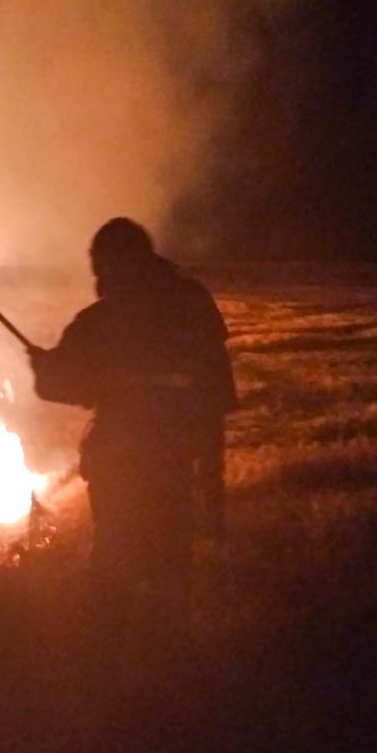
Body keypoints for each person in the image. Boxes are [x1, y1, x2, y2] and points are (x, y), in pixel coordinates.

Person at [28, 217, 236, 637]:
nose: (95, 271)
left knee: (116, 557)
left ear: (113, 261)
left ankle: (109, 656)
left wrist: (44, 366)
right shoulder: (192, 303)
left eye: (98, 261)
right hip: (175, 455)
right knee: (171, 558)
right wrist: (212, 498)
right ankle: (168, 650)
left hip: (120, 458)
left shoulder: (100, 320)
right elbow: (215, 394)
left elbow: (62, 386)